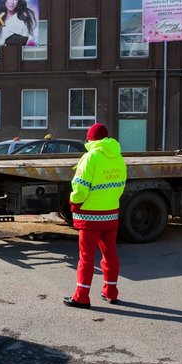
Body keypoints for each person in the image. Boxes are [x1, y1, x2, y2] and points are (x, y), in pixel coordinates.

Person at [64, 123, 128, 308]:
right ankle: (111, 292)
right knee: (110, 255)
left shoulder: (90, 157)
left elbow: (80, 187)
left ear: (90, 139)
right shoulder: (118, 157)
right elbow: (121, 185)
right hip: (111, 214)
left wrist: (74, 202)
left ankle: (81, 297)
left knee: (86, 257)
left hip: (90, 216)